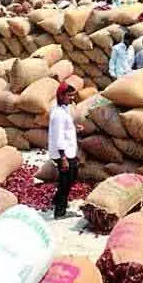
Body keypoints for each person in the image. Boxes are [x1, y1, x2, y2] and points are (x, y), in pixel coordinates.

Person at [48, 83, 82, 219]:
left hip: (67, 152)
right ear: (61, 96)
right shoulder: (58, 115)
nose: (72, 98)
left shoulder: (63, 109)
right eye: (69, 95)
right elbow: (58, 136)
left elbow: (65, 128)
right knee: (66, 182)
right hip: (64, 153)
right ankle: (60, 212)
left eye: (73, 95)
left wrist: (74, 128)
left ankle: (56, 200)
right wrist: (63, 158)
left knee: (71, 177)